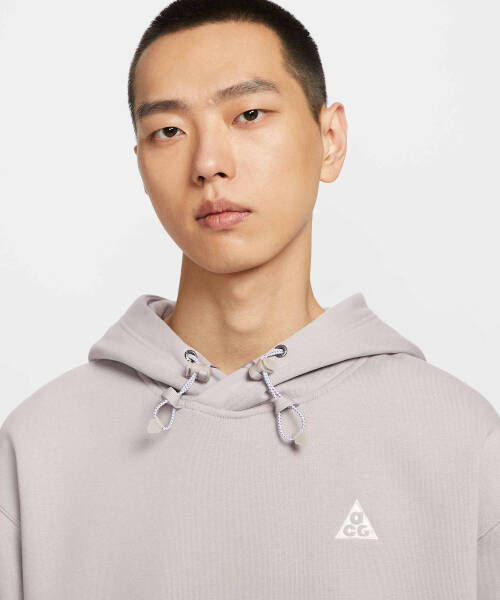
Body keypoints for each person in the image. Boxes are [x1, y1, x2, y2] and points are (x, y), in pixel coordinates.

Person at [1, 0, 499, 597]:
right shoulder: (38, 447)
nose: (209, 164)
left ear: (330, 140)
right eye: (168, 131)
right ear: (141, 164)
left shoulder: (459, 437)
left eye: (249, 114)